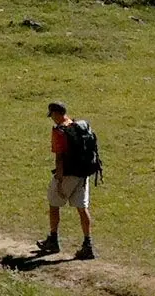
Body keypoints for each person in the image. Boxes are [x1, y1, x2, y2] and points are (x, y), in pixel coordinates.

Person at [38, 101, 96, 260]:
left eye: (52, 115)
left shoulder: (59, 131)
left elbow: (59, 157)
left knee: (54, 204)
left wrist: (59, 179)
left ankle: (53, 239)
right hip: (83, 174)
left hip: (68, 174)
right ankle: (88, 245)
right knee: (82, 208)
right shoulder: (78, 126)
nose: (52, 118)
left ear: (57, 113)